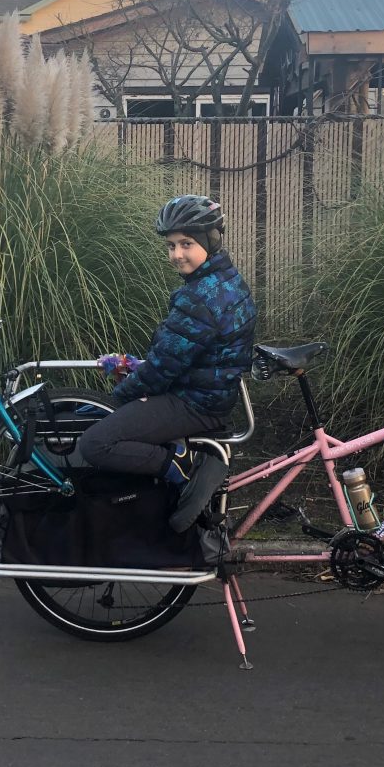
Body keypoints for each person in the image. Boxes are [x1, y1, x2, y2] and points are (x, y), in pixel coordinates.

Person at [78, 194, 257, 530]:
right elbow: (180, 357)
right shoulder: (226, 281)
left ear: (210, 240)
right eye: (171, 246)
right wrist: (135, 367)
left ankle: (182, 464)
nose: (176, 255)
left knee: (95, 442)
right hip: (205, 394)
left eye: (186, 243)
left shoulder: (200, 297)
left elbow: (162, 370)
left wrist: (119, 397)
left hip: (194, 404)